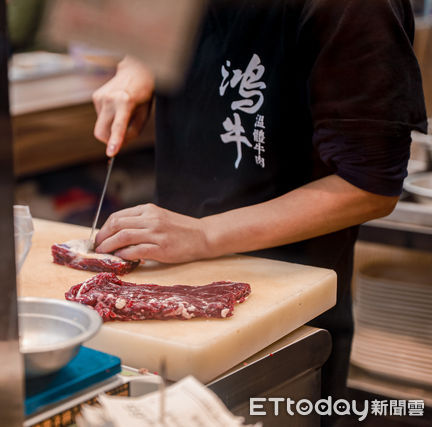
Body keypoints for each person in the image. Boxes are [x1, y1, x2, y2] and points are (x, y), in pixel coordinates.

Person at [91, 0, 427, 425]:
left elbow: (368, 187)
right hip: (168, 284)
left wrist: (204, 235)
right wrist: (138, 62)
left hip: (282, 305)